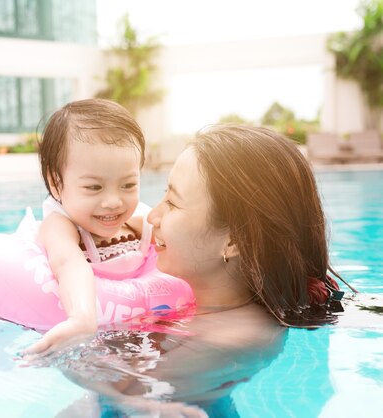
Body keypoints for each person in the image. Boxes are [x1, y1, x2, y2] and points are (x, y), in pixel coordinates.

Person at [51, 124, 354, 417]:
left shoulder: (232, 341)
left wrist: (66, 355)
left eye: (172, 201)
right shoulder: (204, 304)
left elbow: (126, 396)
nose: (152, 216)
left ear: (233, 239)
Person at [25, 98, 151, 355]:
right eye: (94, 187)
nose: (114, 202)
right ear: (56, 182)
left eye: (128, 185)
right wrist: (81, 318)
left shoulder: (138, 221)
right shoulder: (58, 226)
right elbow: (68, 262)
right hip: (90, 342)